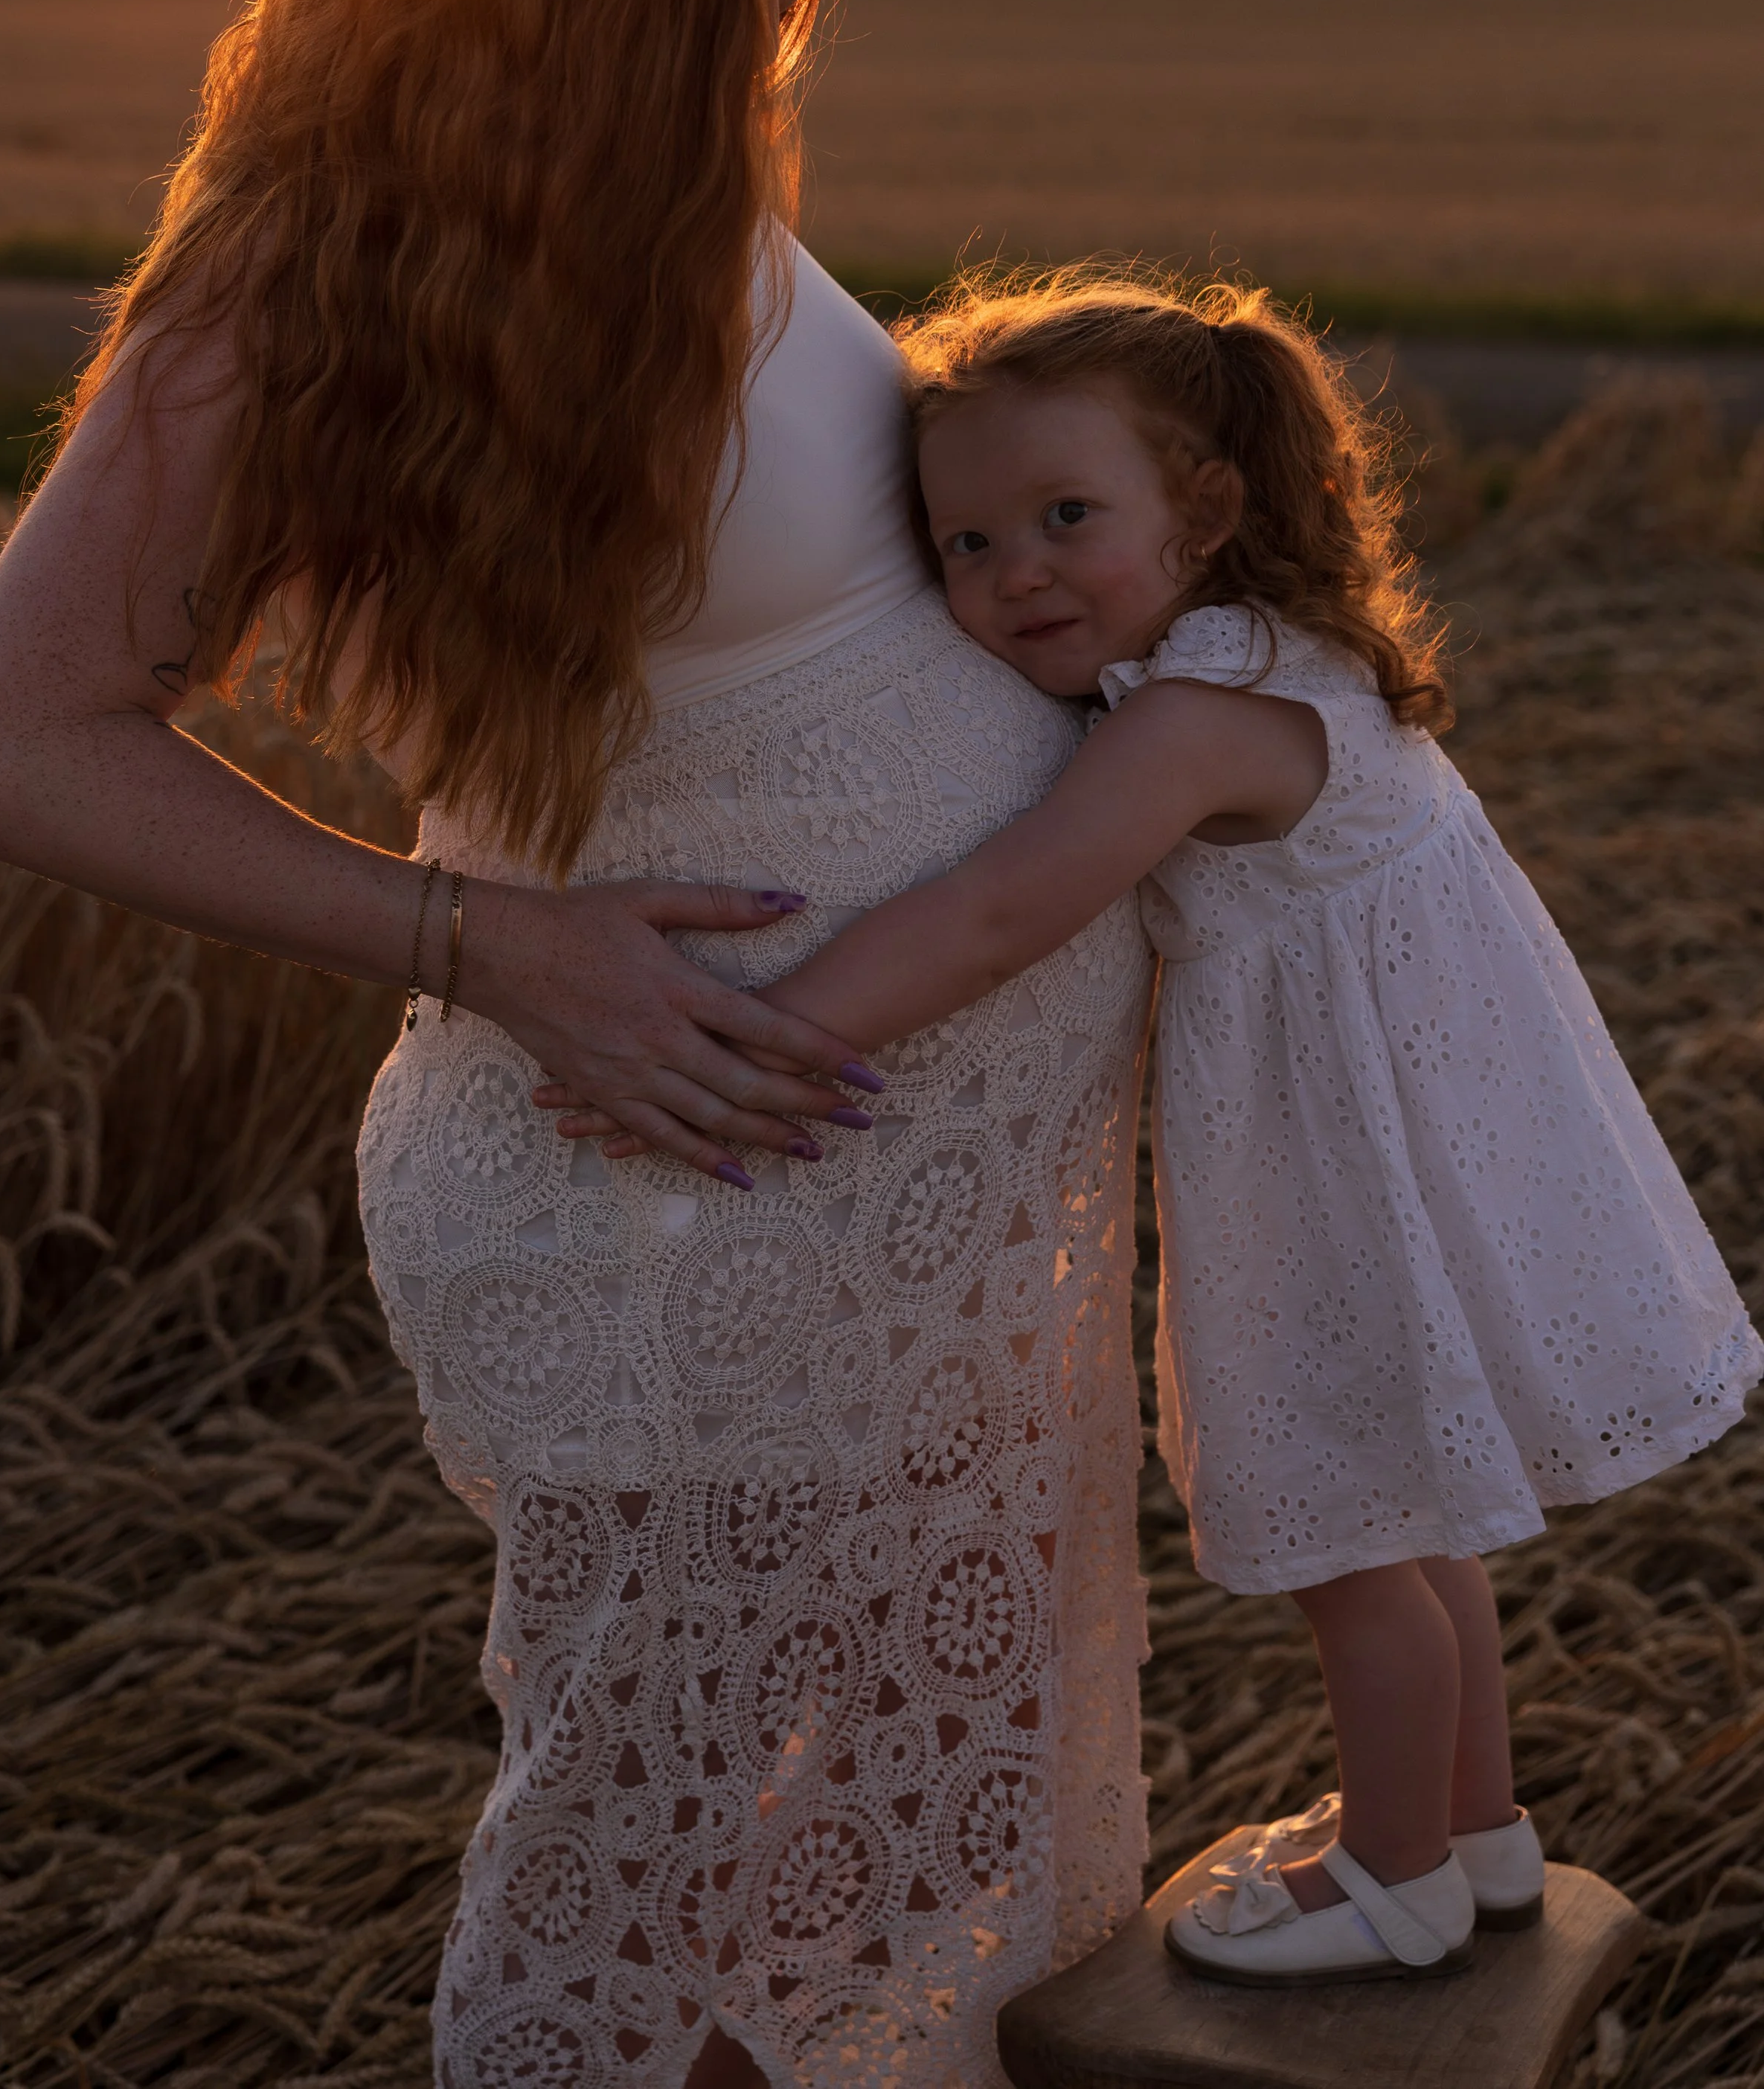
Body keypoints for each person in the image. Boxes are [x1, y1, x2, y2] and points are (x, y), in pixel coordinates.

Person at [0, 0, 1155, 2085]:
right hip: (680, 1219)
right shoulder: (297, 275)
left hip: (872, 1219)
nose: (783, 17)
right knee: (656, 1927)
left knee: (841, 1923)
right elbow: (10, 739)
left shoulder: (676, 196)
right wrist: (493, 944)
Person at [551, 269, 1763, 1988]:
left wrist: (735, 1038)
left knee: (1348, 1545)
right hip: (1406, 1156)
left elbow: (991, 913)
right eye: (963, 546)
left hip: (1335, 1184)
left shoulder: (1196, 725)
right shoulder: (1280, 661)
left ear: (1203, 512)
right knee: (1418, 1521)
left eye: (1063, 518)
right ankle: (1479, 1839)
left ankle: (1392, 1877)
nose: (1013, 572)